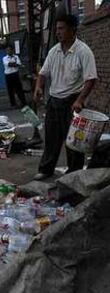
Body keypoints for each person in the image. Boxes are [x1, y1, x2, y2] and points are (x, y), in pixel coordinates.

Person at [33, 14, 97, 180]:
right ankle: (46, 169)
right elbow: (42, 74)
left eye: (61, 28)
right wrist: (39, 87)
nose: (57, 32)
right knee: (51, 138)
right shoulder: (54, 51)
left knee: (74, 141)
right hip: (54, 101)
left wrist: (80, 100)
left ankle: (74, 174)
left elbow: (91, 79)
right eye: (57, 29)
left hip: (72, 101)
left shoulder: (83, 51)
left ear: (72, 30)